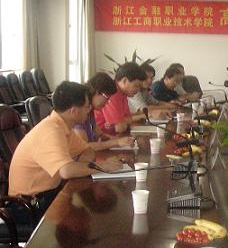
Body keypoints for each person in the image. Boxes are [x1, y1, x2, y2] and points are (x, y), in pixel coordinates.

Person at [8, 81, 122, 212]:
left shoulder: (63, 126)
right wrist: (102, 166)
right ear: (74, 111)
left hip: (50, 193)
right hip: (28, 205)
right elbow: (67, 171)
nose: (89, 111)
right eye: (86, 107)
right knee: (85, 217)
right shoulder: (51, 131)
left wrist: (80, 166)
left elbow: (88, 150)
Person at [74, 72, 137, 151]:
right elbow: (84, 147)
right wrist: (116, 142)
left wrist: (122, 140)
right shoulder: (79, 111)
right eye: (107, 98)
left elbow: (100, 135)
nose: (107, 102)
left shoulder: (91, 110)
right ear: (97, 92)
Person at [94, 62, 147, 135]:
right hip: (103, 137)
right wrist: (122, 121)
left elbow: (129, 119)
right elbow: (120, 128)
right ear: (124, 80)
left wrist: (122, 121)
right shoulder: (113, 93)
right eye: (136, 86)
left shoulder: (123, 94)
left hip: (114, 136)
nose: (138, 90)